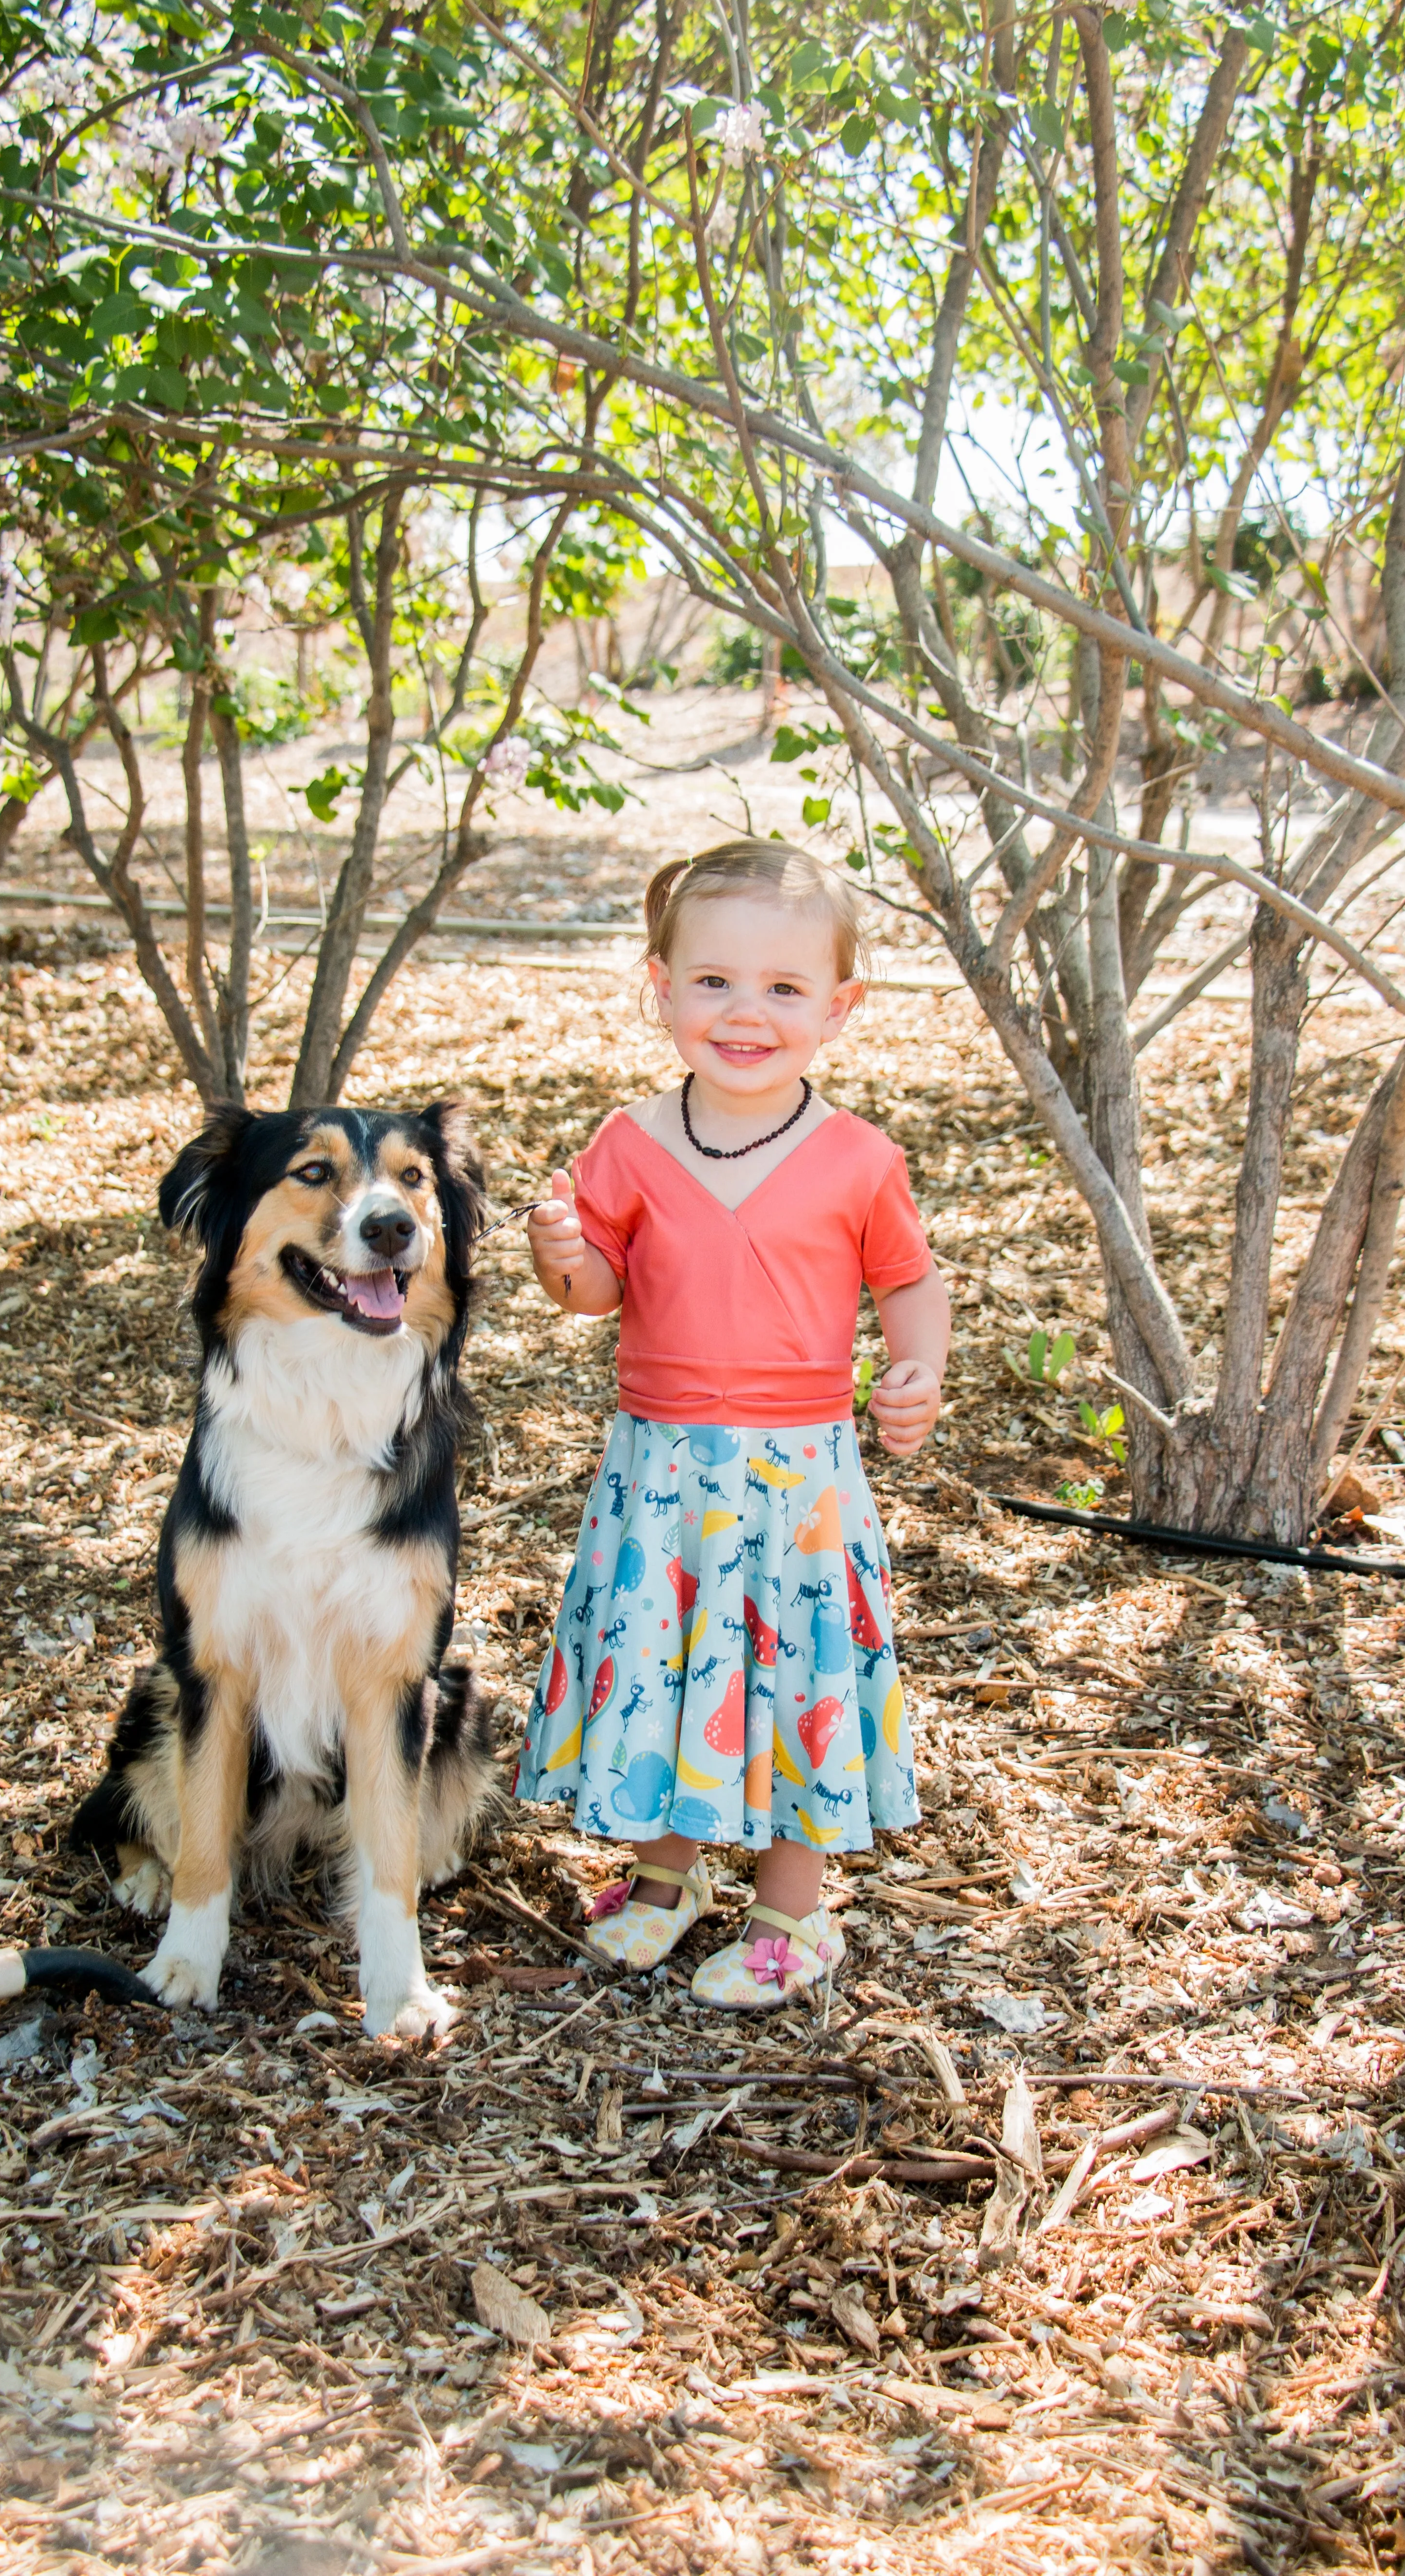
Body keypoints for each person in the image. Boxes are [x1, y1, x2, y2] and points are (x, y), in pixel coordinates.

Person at [512, 838, 950, 2009]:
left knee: (792, 1673)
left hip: (800, 1478)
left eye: (784, 988)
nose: (745, 1012)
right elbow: (594, 1291)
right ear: (660, 985)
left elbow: (909, 1280)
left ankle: (793, 1913)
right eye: (713, 981)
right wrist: (565, 1257)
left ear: (839, 1008)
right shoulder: (630, 1142)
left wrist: (916, 1371)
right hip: (661, 1468)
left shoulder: (857, 1158)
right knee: (665, 1659)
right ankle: (667, 1881)